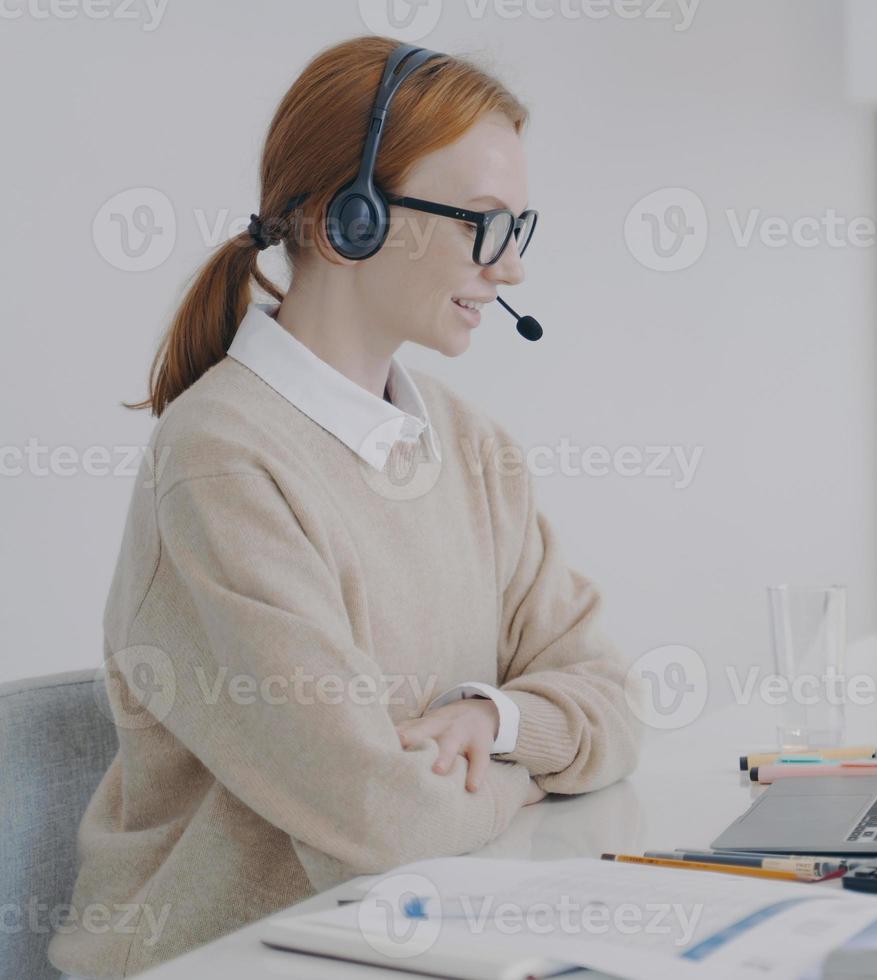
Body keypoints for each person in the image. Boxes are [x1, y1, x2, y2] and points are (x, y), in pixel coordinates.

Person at [49, 35, 641, 979]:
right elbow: (385, 815)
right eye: (481, 223)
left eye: (518, 229)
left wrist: (494, 723)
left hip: (421, 934)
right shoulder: (223, 465)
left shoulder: (471, 446)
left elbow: (611, 700)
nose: (511, 269)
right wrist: (534, 766)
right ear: (347, 221)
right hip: (227, 960)